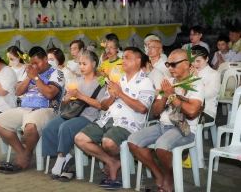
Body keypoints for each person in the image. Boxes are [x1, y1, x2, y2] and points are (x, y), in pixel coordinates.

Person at [75, 47, 156, 189]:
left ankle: (115, 161)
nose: (123, 60)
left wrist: (120, 93)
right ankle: (113, 162)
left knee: (108, 142)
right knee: (79, 139)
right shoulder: (118, 79)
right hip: (107, 118)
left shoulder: (146, 82)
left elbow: (142, 108)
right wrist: (112, 95)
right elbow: (104, 106)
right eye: (123, 57)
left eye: (127, 58)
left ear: (138, 61)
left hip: (129, 122)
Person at [127, 49, 204, 192]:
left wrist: (172, 96)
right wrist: (164, 95)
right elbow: (156, 112)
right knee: (133, 140)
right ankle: (159, 175)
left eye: (174, 65)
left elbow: (192, 112)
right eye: (168, 64)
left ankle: (169, 177)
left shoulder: (196, 84)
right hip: (162, 125)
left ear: (186, 64)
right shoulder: (167, 82)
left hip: (183, 128)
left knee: (161, 145)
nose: (169, 68)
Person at [0, 46, 65, 174]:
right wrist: (29, 77)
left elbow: (50, 94)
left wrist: (36, 78)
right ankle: (22, 152)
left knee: (31, 127)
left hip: (46, 109)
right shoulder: (29, 72)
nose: (34, 66)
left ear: (45, 59)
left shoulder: (56, 73)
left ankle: (26, 155)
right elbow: (18, 91)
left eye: (37, 63)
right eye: (32, 63)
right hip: (25, 108)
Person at [42, 50, 106, 181]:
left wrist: (80, 95)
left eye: (84, 64)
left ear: (94, 64)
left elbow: (100, 105)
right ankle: (67, 156)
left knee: (65, 128)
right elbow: (65, 102)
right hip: (72, 113)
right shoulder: (77, 80)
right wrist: (67, 97)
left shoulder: (100, 83)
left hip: (88, 116)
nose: (81, 67)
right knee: (48, 128)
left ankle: (60, 159)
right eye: (80, 64)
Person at [182, 45, 221, 168]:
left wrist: (196, 78)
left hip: (206, 110)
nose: (195, 64)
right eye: (192, 61)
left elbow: (209, 94)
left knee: (191, 118)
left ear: (207, 59)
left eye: (198, 61)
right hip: (190, 107)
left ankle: (195, 158)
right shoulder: (188, 72)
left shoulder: (213, 74)